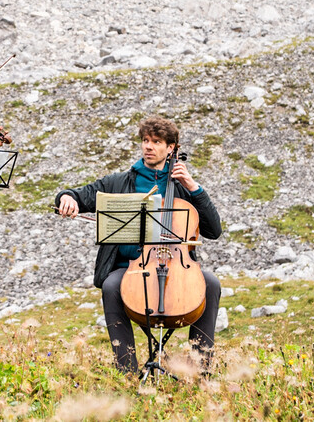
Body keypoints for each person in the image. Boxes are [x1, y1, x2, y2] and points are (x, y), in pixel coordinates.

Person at [54, 116, 222, 375]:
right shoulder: (119, 182)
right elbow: (79, 194)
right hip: (131, 269)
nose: (149, 146)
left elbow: (213, 230)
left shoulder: (183, 186)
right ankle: (127, 372)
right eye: (145, 140)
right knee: (111, 285)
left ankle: (201, 371)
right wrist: (67, 198)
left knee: (210, 283)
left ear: (171, 148)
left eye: (156, 142)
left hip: (176, 266)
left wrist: (193, 187)